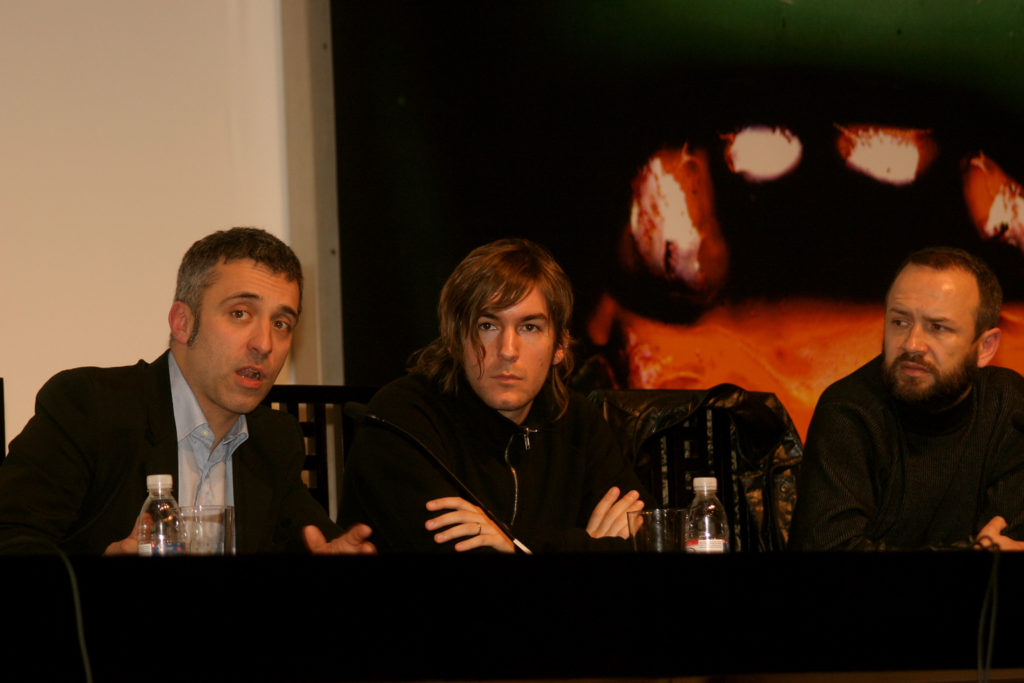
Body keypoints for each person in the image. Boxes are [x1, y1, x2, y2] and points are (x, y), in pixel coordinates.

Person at [0, 227, 375, 555]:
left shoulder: (274, 442)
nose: (264, 344)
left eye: (281, 323)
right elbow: (12, 538)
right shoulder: (90, 406)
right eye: (240, 313)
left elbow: (315, 540)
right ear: (182, 323)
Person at [338, 238, 652, 552]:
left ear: (559, 346)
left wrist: (516, 547)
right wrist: (588, 544)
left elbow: (650, 535)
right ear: (455, 338)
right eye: (487, 325)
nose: (508, 350)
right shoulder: (402, 419)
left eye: (529, 327)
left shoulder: (578, 422)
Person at [789, 246, 1024, 551]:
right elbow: (830, 552)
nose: (912, 344)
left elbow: (1008, 536)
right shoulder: (849, 412)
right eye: (900, 322)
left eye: (938, 327)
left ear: (985, 347)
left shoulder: (1009, 404)